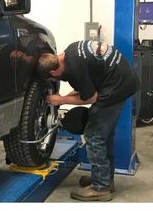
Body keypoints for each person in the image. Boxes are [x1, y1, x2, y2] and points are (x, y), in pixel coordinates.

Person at [37, 40, 140, 201]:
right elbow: (87, 81)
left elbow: (91, 97)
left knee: (94, 136)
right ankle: (105, 179)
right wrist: (69, 95)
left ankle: (101, 187)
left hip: (117, 87)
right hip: (122, 79)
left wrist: (62, 100)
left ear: (54, 73)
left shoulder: (74, 69)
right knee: (103, 136)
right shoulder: (70, 51)